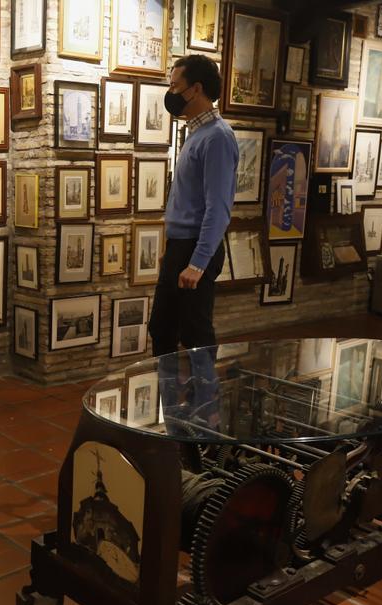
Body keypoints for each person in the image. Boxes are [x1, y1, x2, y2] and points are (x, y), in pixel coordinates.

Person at [149, 54, 238, 438]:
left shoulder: (217, 137)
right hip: (181, 247)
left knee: (196, 332)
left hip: (194, 252)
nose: (171, 93)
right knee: (162, 329)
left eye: (174, 86)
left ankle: (207, 415)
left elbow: (218, 208)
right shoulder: (196, 133)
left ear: (196, 89)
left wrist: (197, 262)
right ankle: (174, 409)